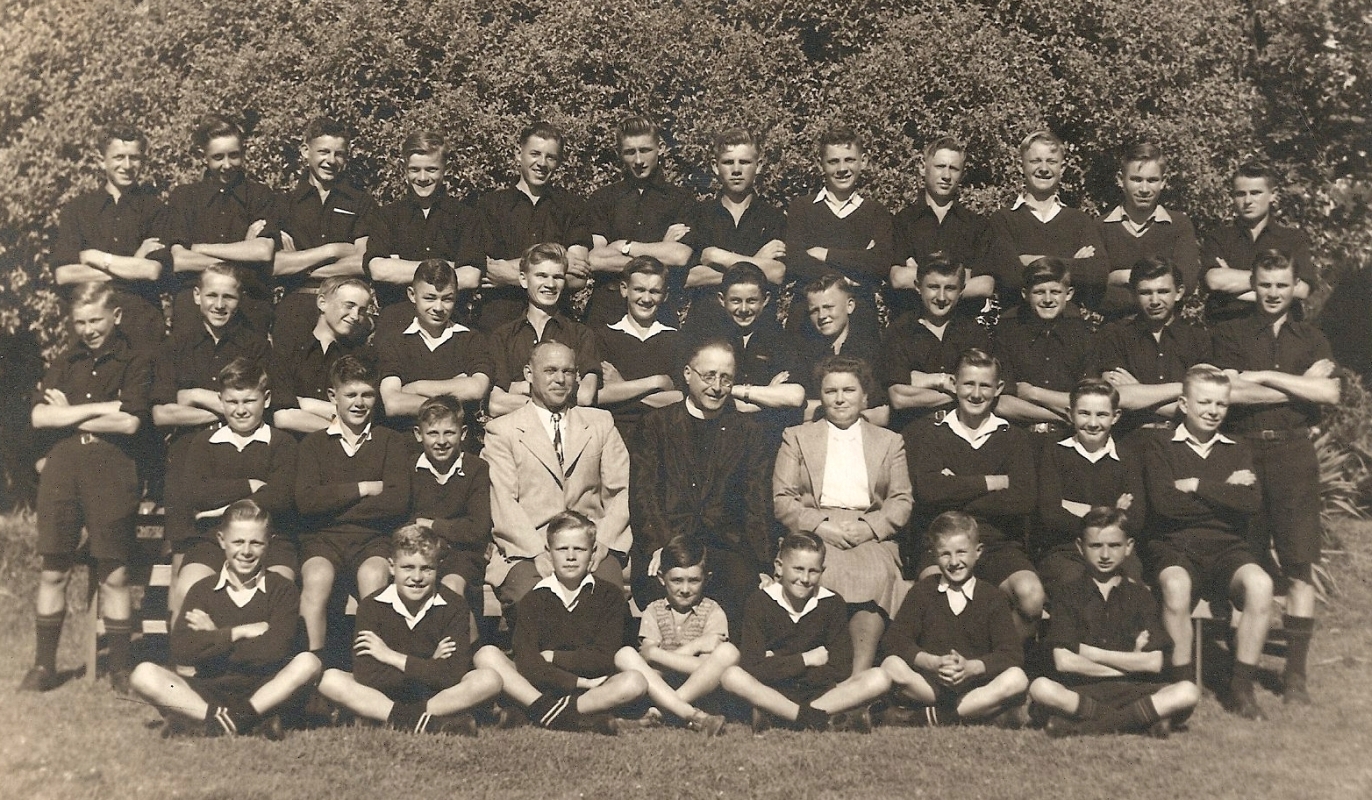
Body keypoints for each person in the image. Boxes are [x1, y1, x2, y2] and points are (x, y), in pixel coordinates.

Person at [1211, 250, 1340, 704]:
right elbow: (1228, 394)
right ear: (1253, 283)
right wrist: (1294, 383)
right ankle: (1237, 674)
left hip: (1293, 452)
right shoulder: (1228, 333)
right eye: (1265, 284)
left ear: (1294, 287)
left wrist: (1265, 375)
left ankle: (1296, 677)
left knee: (1298, 562)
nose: (1273, 293)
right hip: (1242, 450)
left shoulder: (1312, 336)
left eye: (1281, 285)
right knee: (1244, 558)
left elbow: (1328, 391)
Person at [20, 283, 151, 695]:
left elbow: (130, 422)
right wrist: (103, 408)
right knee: (54, 569)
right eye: (80, 322)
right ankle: (44, 667)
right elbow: (40, 417)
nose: (89, 329)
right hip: (63, 471)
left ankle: (119, 670)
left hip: (113, 471)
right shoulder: (65, 360)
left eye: (95, 320)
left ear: (116, 316)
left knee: (115, 572)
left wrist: (70, 414)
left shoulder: (136, 359)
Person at [1141, 365, 1273, 719]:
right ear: (1184, 403)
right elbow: (1165, 505)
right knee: (1175, 584)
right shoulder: (1159, 445)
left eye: (1221, 404)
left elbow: (1251, 502)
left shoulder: (1238, 448)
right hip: (1175, 545)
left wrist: (1196, 485)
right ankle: (1182, 684)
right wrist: (1226, 489)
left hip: (1228, 547)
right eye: (1204, 402)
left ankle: (1241, 687)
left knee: (1261, 585)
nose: (1213, 411)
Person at [129, 500, 322, 738]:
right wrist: (236, 632)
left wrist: (213, 636)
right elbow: (182, 650)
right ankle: (237, 720)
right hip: (210, 690)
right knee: (144, 674)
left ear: (269, 543)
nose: (246, 551)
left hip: (264, 690)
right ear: (222, 540)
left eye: (256, 543)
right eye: (238, 542)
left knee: (308, 663)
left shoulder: (282, 590)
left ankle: (217, 722)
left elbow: (275, 651)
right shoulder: (203, 590)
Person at [773, 355, 912, 673]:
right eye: (830, 391)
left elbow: (901, 501)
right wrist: (822, 527)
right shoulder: (796, 437)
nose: (839, 399)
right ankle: (820, 674)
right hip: (815, 530)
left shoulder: (890, 442)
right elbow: (783, 500)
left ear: (865, 396)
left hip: (868, 529)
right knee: (819, 571)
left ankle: (858, 678)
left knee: (878, 575)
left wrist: (869, 527)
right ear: (820, 396)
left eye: (848, 390)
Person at [629, 338, 774, 637]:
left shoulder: (749, 432)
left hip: (725, 547)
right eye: (708, 376)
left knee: (743, 591)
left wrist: (762, 563)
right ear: (687, 374)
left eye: (726, 378)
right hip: (668, 543)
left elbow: (756, 501)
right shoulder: (656, 424)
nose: (717, 387)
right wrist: (659, 545)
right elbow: (643, 495)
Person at [482, 341, 630, 613]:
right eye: (550, 370)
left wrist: (604, 543)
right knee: (533, 602)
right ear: (529, 374)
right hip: (528, 549)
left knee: (607, 598)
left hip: (591, 546)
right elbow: (503, 502)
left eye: (568, 371)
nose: (560, 379)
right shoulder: (503, 431)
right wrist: (539, 552)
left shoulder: (600, 423)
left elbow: (621, 491)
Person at [904, 348, 1043, 639]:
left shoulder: (1014, 437)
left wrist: (955, 488)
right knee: (931, 594)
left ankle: (1003, 663)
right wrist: (991, 482)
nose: (976, 394)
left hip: (997, 544)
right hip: (943, 545)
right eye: (968, 384)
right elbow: (929, 492)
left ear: (998, 389)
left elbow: (1024, 498)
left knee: (1031, 596)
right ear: (954, 384)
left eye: (985, 386)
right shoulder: (933, 433)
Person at [1029, 507, 1200, 737]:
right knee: (1041, 688)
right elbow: (1065, 662)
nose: (1105, 555)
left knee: (1188, 691)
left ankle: (1084, 726)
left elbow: (1154, 663)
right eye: (1096, 546)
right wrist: (1131, 661)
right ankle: (1138, 720)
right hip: (1082, 688)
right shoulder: (1067, 595)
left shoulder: (1141, 596)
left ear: (1128, 547)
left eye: (1115, 545)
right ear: (1080, 547)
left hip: (1133, 690)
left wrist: (1089, 652)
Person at [473, 512, 648, 733]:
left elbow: (604, 658)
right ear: (549, 553)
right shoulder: (534, 598)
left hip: (592, 687)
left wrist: (554, 657)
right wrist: (578, 682)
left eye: (580, 549)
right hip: (551, 685)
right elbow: (527, 662)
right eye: (562, 549)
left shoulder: (609, 596)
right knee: (486, 655)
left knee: (634, 683)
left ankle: (539, 711)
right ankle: (557, 713)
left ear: (593, 552)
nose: (571, 556)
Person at [317, 525, 502, 735]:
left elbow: (453, 674)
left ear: (438, 568)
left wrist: (391, 657)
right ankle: (431, 722)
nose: (417, 577)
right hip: (388, 693)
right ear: (391, 567)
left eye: (426, 568)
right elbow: (367, 675)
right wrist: (430, 664)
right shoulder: (371, 605)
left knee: (489, 679)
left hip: (432, 695)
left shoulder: (454, 604)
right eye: (407, 568)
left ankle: (392, 717)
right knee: (330, 679)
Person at [295, 355, 412, 656]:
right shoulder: (314, 444)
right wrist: (363, 488)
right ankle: (311, 669)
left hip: (372, 539)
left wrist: (333, 505)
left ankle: (373, 669)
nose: (359, 403)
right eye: (351, 394)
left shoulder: (391, 442)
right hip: (323, 541)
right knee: (317, 577)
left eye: (367, 394)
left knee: (373, 576)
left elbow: (397, 501)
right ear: (333, 396)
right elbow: (307, 502)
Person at [167, 358, 299, 622]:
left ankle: (269, 659)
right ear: (221, 400)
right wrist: (249, 485)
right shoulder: (205, 442)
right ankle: (188, 662)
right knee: (188, 585)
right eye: (232, 402)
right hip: (214, 538)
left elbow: (280, 498)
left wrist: (221, 508)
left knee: (280, 586)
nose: (240, 410)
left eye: (249, 401)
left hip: (271, 539)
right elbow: (195, 492)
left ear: (267, 399)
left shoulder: (282, 443)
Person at [720, 532, 893, 733]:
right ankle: (816, 718)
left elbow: (841, 668)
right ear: (779, 566)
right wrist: (806, 659)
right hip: (773, 690)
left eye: (813, 571)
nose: (804, 578)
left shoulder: (832, 603)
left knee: (880, 677)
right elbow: (751, 666)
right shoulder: (759, 602)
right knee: (731, 676)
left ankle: (784, 716)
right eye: (798, 569)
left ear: (823, 571)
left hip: (821, 693)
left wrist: (777, 662)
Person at [880, 511, 1029, 726]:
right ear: (934, 555)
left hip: (975, 687)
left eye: (961, 552)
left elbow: (1011, 653)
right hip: (930, 686)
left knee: (1017, 678)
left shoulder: (992, 596)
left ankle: (934, 716)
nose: (954, 562)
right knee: (890, 664)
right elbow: (895, 640)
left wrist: (972, 667)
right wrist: (931, 662)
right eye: (945, 554)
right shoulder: (922, 592)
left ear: (977, 552)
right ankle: (976, 714)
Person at [50, 123, 168, 354]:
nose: (127, 166)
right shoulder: (77, 211)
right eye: (118, 157)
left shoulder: (155, 209)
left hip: (141, 326)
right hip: (89, 330)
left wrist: (95, 257)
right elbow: (64, 275)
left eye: (134, 158)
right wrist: (133, 262)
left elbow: (152, 271)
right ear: (101, 160)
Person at [159, 115, 277, 334]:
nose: (226, 165)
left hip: (248, 309)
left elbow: (262, 251)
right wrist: (242, 251)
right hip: (193, 311)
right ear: (204, 157)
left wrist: (200, 248)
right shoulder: (184, 197)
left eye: (234, 156)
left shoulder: (260, 195)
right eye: (217, 157)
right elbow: (181, 260)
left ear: (243, 152)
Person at [612, 535, 737, 736]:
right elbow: (647, 662)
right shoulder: (653, 610)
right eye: (677, 580)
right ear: (662, 578)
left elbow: (705, 669)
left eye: (694, 580)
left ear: (707, 578)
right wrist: (696, 646)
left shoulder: (713, 612)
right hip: (658, 685)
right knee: (624, 654)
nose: (685, 589)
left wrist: (656, 654)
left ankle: (660, 713)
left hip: (699, 690)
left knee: (728, 653)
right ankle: (693, 716)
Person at [472, 120, 590, 331]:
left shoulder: (572, 207)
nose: (542, 163)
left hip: (555, 324)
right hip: (499, 323)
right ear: (519, 154)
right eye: (535, 153)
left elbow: (577, 277)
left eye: (550, 157)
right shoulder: (490, 206)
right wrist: (556, 267)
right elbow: (487, 271)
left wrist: (510, 275)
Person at [1035, 378, 1145, 602]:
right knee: (1078, 589)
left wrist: (1077, 508)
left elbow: (1137, 518)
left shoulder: (1128, 458)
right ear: (1070, 414)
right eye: (1084, 413)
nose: (1093, 423)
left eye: (1102, 415)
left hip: (1116, 552)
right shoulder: (1054, 453)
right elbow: (1050, 515)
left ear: (1115, 416)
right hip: (1066, 552)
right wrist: (1110, 512)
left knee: (1129, 590)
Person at [272, 117, 375, 355]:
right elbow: (275, 265)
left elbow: (362, 261)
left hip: (346, 310)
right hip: (296, 305)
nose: (331, 160)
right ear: (305, 151)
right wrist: (332, 251)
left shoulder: (361, 203)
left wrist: (300, 265)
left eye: (339, 154)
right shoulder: (284, 204)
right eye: (323, 152)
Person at [582, 115, 696, 326]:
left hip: (658, 311)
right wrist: (661, 251)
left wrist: (624, 247)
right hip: (606, 311)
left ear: (660, 148)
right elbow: (596, 259)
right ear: (620, 154)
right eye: (629, 152)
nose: (638, 161)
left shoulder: (681, 199)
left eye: (645, 150)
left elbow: (680, 256)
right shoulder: (603, 198)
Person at [364, 130, 484, 327]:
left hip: (451, 322)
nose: (422, 177)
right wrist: (449, 266)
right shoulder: (387, 215)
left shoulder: (465, 216)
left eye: (431, 169)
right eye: (414, 169)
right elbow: (378, 270)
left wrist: (400, 266)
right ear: (404, 170)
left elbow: (471, 277)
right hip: (396, 322)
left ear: (445, 169)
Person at [783, 125, 893, 336]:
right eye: (833, 161)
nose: (842, 168)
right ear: (821, 164)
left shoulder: (876, 212)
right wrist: (847, 278)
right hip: (806, 320)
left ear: (864, 161)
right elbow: (795, 261)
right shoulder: (802, 208)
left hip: (860, 320)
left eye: (849, 160)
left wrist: (825, 254)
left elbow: (880, 263)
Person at [985, 130, 1107, 316]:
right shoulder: (1002, 220)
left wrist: (1030, 261)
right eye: (1035, 161)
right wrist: (1073, 263)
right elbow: (1010, 278)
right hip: (1016, 327)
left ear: (1062, 168)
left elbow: (1097, 275)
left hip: (1069, 328)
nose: (1044, 168)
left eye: (1051, 161)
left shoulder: (1079, 220)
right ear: (1021, 166)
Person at [680, 261, 805, 441]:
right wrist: (767, 394)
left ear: (766, 300)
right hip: (717, 436)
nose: (744, 309)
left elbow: (795, 397)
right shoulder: (709, 340)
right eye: (736, 301)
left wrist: (730, 391)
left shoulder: (780, 340)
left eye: (752, 301)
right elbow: (696, 393)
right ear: (722, 300)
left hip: (766, 436)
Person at [376, 259, 493, 434]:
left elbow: (477, 389)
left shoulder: (471, 339)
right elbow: (393, 404)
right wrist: (457, 387)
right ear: (412, 295)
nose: (438, 307)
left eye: (447, 299)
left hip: (459, 441)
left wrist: (415, 388)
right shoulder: (394, 343)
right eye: (429, 298)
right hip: (408, 442)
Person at [1096, 256, 1212, 433]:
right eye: (1146, 293)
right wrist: (1186, 388)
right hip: (1131, 440)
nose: (1155, 301)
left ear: (1179, 292)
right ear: (1134, 295)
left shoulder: (1198, 338)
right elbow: (1117, 398)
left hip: (1183, 440)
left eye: (1163, 291)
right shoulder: (1115, 334)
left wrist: (1138, 392)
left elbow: (1204, 402)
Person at [487, 242, 601, 417]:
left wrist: (520, 387)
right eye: (541, 276)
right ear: (524, 280)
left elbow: (585, 397)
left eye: (558, 277)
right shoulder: (503, 336)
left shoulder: (581, 334)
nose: (550, 284)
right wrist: (561, 389)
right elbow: (496, 404)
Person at [888, 136, 994, 322]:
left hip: (961, 329)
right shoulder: (902, 221)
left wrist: (919, 274)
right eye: (940, 166)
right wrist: (962, 278)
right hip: (911, 328)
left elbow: (985, 285)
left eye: (953, 168)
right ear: (923, 167)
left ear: (961, 173)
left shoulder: (977, 225)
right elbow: (898, 278)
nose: (946, 175)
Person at [879, 258, 990, 433]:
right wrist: (946, 382)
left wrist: (920, 380)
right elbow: (899, 397)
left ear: (961, 291)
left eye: (950, 288)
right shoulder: (899, 331)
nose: (941, 297)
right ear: (918, 287)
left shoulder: (974, 334)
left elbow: (986, 390)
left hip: (966, 431)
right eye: (933, 287)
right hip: (916, 431)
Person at [406, 395, 492, 622]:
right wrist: (443, 533)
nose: (441, 441)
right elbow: (404, 519)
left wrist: (431, 525)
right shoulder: (409, 469)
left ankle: (462, 653)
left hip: (463, 555)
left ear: (463, 433)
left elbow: (477, 528)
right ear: (418, 434)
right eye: (433, 433)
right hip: (421, 553)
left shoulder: (476, 469)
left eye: (449, 433)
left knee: (451, 588)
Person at [994, 257, 1099, 436]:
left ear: (1069, 294)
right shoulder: (1007, 334)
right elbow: (1001, 404)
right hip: (1019, 436)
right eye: (1039, 292)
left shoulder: (1083, 335)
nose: (1048, 299)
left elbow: (1091, 402)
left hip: (1068, 438)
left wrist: (1033, 393)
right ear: (1025, 294)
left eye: (1055, 291)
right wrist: (1066, 415)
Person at [1202, 160, 1314, 324]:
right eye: (1240, 194)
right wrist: (1278, 284)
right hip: (1228, 334)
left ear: (1273, 194)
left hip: (1278, 336)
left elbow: (1302, 290)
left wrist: (1232, 285)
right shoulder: (1219, 238)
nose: (1247, 201)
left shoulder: (1292, 239)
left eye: (1255, 193)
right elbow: (1213, 281)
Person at [1097, 143, 1200, 321]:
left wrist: (1119, 276)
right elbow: (1095, 291)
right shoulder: (1102, 226)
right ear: (1121, 180)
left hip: (1166, 333)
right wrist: (1161, 292)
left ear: (1164, 181)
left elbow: (1187, 284)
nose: (1144, 189)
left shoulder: (1179, 225)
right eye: (1136, 179)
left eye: (1152, 180)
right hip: (1115, 334)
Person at [687, 128, 787, 307]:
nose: (736, 170)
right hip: (707, 322)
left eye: (745, 162)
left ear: (759, 165)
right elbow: (690, 277)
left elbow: (777, 274)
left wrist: (719, 256)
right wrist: (756, 263)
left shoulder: (774, 216)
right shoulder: (698, 214)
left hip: (759, 327)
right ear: (715, 166)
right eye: (728, 162)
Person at [270, 276, 376, 435]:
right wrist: (336, 418)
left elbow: (360, 417)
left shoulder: (360, 357)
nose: (355, 316)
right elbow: (283, 417)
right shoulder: (288, 350)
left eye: (361, 310)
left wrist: (302, 403)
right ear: (322, 303)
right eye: (349, 306)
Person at [594, 256, 683, 442]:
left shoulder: (676, 339)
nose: (646, 299)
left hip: (664, 436)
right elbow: (597, 396)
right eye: (639, 290)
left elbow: (681, 398)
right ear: (624, 289)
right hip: (616, 436)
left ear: (665, 295)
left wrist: (621, 388)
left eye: (655, 291)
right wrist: (657, 382)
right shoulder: (603, 337)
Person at [791, 273, 885, 424]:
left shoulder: (871, 350)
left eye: (828, 307)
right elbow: (794, 411)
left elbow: (881, 411)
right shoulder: (802, 352)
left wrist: (819, 407)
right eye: (814, 310)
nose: (822, 316)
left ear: (850, 306)